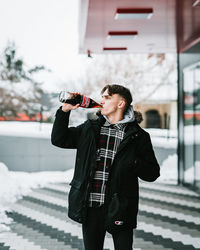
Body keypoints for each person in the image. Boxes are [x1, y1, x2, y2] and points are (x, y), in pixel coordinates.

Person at [51, 84, 160, 250]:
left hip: (121, 206)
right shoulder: (90, 129)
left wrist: (135, 163)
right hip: (91, 205)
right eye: (102, 97)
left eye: (107, 97)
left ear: (120, 103)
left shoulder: (138, 136)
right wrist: (64, 111)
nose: (102, 101)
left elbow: (152, 173)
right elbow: (60, 139)